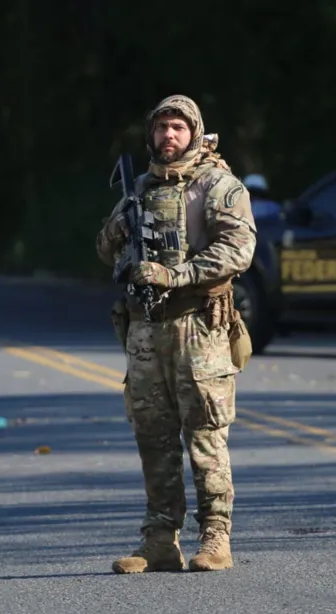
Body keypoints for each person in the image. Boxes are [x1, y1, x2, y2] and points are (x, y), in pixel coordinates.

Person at [96, 95, 256, 573]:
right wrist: (118, 228)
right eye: (162, 127)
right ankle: (160, 539)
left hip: (198, 326)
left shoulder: (218, 186)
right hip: (146, 330)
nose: (169, 135)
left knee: (206, 433)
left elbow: (239, 250)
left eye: (178, 128)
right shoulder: (139, 189)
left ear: (195, 132)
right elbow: (105, 251)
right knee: (153, 434)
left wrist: (178, 275)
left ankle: (216, 538)